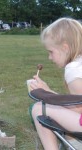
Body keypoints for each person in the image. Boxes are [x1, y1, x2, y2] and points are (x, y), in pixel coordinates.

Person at [30, 17, 82, 150]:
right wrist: (49, 92)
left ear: (65, 48)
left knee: (38, 108)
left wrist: (47, 95)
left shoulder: (73, 70)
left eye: (51, 52)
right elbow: (75, 102)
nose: (49, 57)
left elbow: (78, 108)